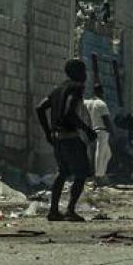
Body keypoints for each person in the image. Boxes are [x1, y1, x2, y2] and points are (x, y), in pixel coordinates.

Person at [35, 58, 96, 222]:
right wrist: (87, 129)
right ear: (77, 73)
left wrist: (48, 133)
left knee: (62, 173)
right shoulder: (77, 87)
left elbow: (40, 108)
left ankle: (53, 210)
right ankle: (70, 210)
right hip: (70, 136)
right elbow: (69, 113)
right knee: (81, 173)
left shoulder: (57, 89)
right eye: (83, 72)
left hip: (57, 138)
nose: (86, 75)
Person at [85, 84, 114, 178]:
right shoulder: (102, 104)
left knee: (108, 154)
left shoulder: (89, 102)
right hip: (103, 131)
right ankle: (98, 175)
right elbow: (106, 120)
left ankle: (101, 173)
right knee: (100, 153)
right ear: (102, 92)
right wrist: (112, 132)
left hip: (95, 129)